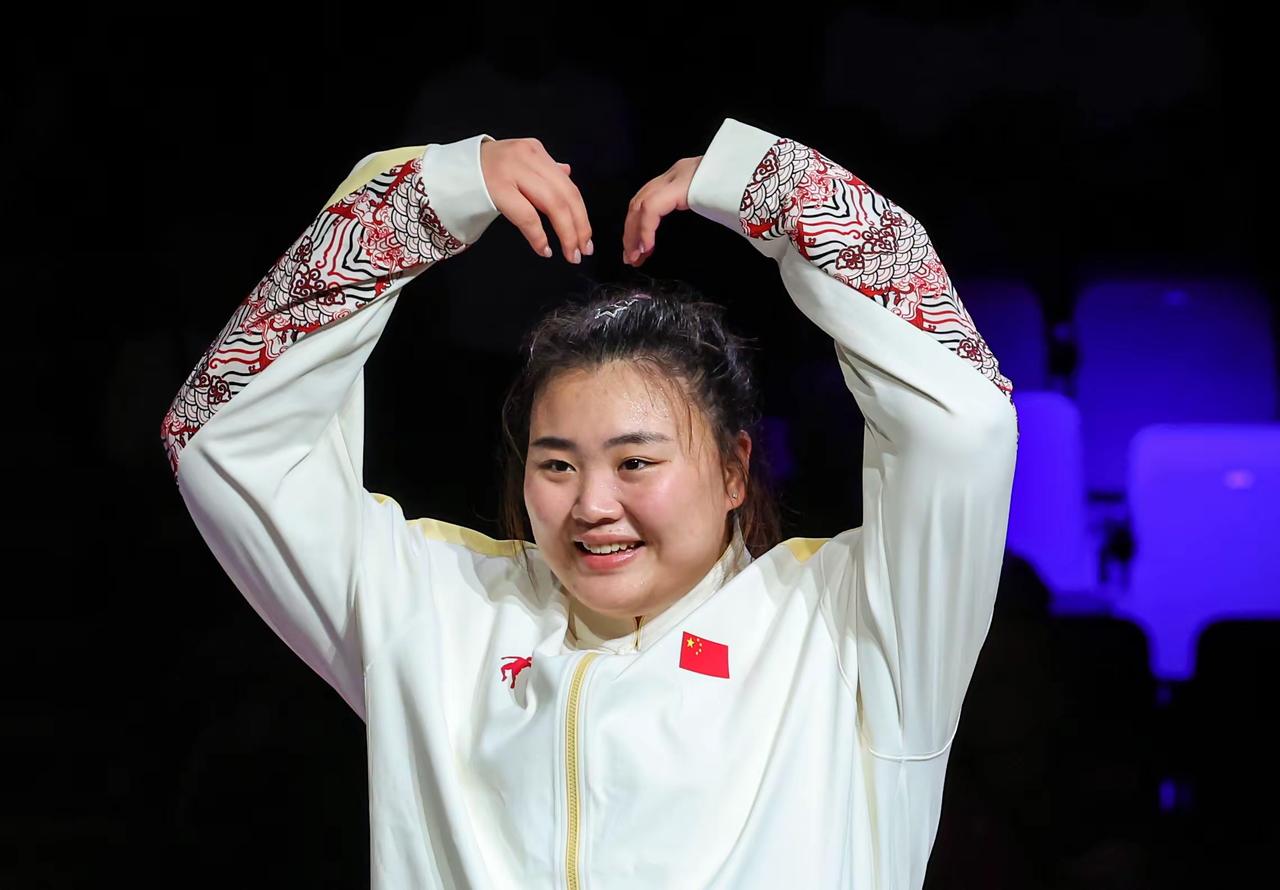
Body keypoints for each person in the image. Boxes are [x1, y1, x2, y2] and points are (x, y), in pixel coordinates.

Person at [160, 115, 1019, 889]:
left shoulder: (850, 630)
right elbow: (220, 437)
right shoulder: (436, 612)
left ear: (733, 470)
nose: (593, 505)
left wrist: (769, 187)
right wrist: (428, 198)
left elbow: (966, 422)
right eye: (557, 464)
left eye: (636, 461)